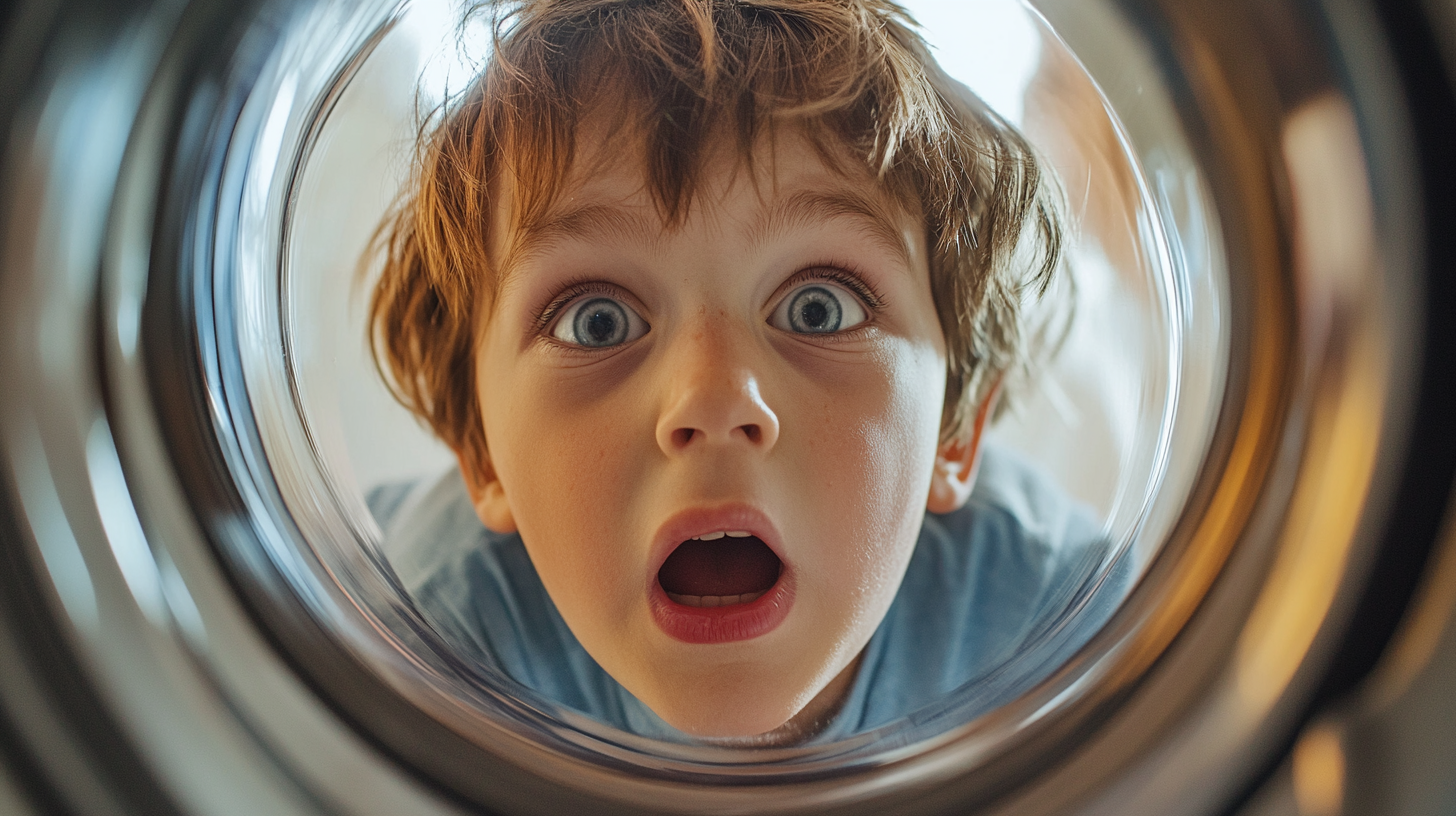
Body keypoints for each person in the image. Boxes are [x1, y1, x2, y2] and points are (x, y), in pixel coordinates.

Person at [365, 0, 1118, 746]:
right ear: (481, 452)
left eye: (819, 308)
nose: (715, 399)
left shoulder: (1058, 628)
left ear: (954, 431)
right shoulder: (424, 650)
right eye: (596, 321)